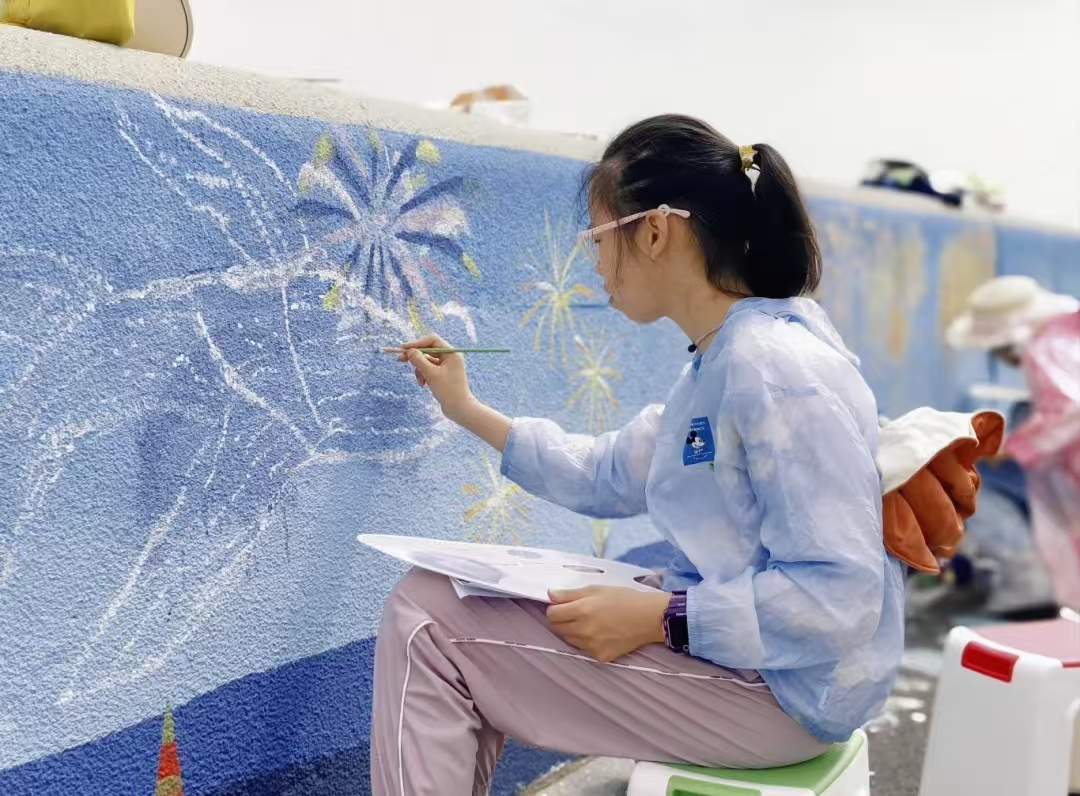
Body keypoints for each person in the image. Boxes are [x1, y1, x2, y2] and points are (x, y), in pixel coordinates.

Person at [370, 115, 903, 796]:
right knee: (450, 601)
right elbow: (606, 472)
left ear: (654, 231)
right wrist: (467, 410)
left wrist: (662, 619)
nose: (594, 261)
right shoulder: (725, 361)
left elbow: (839, 601)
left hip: (781, 693)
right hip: (769, 674)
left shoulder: (768, 368)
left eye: (597, 236)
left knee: (428, 623)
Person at [947, 275, 1080, 613]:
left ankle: (1025, 577)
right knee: (1023, 411)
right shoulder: (1066, 337)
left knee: (971, 482)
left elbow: (1070, 411)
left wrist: (1013, 448)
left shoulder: (1042, 350)